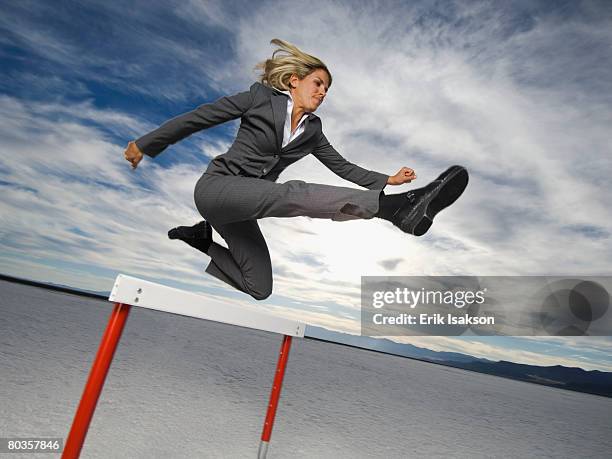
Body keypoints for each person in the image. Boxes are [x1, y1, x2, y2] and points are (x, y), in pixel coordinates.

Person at [124, 39, 468, 300]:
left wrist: (388, 179)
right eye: (318, 83)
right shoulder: (258, 99)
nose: (323, 92)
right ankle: (395, 208)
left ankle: (201, 240)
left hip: (241, 209)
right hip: (217, 189)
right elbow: (197, 118)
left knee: (259, 286)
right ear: (293, 81)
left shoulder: (313, 131)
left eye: (327, 89)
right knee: (292, 193)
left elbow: (341, 166)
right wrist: (145, 144)